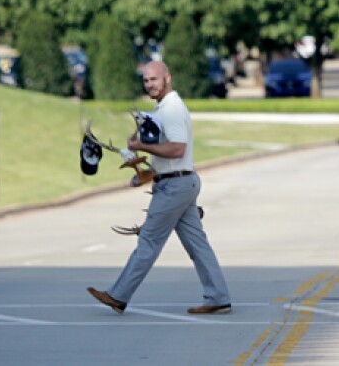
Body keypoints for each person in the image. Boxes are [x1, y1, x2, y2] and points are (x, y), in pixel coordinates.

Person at [88, 61, 232, 315]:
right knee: (198, 245)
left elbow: (178, 148)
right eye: (145, 80)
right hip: (180, 182)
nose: (149, 85)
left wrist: (141, 147)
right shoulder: (164, 108)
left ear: (167, 78)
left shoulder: (172, 109)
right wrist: (145, 173)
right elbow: (170, 156)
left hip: (175, 187)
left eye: (154, 79)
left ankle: (118, 296)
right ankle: (218, 297)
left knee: (149, 242)